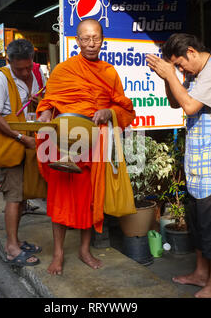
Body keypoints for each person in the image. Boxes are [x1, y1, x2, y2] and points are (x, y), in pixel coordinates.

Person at [36, 19, 136, 275]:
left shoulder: (109, 72)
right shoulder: (64, 70)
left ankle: (84, 250)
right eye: (86, 39)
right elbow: (49, 101)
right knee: (60, 200)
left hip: (94, 143)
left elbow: (124, 108)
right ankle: (58, 253)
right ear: (77, 41)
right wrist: (45, 114)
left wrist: (107, 111)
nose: (91, 44)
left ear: (103, 40)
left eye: (96, 38)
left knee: (90, 200)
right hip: (64, 143)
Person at [147, 34, 211, 298]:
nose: (180, 71)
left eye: (180, 64)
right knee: (199, 224)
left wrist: (171, 75)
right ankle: (201, 273)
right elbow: (176, 101)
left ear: (191, 51)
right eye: (176, 67)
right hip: (200, 164)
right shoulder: (197, 74)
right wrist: (167, 78)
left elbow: (189, 106)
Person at [0, 39, 44, 266]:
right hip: (11, 144)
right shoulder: (0, 78)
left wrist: (39, 103)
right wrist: (20, 137)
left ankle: (16, 240)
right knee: (14, 198)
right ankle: (11, 248)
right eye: (20, 69)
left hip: (28, 143)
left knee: (23, 196)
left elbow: (38, 106)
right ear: (9, 62)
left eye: (29, 66)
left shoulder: (36, 76)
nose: (26, 72)